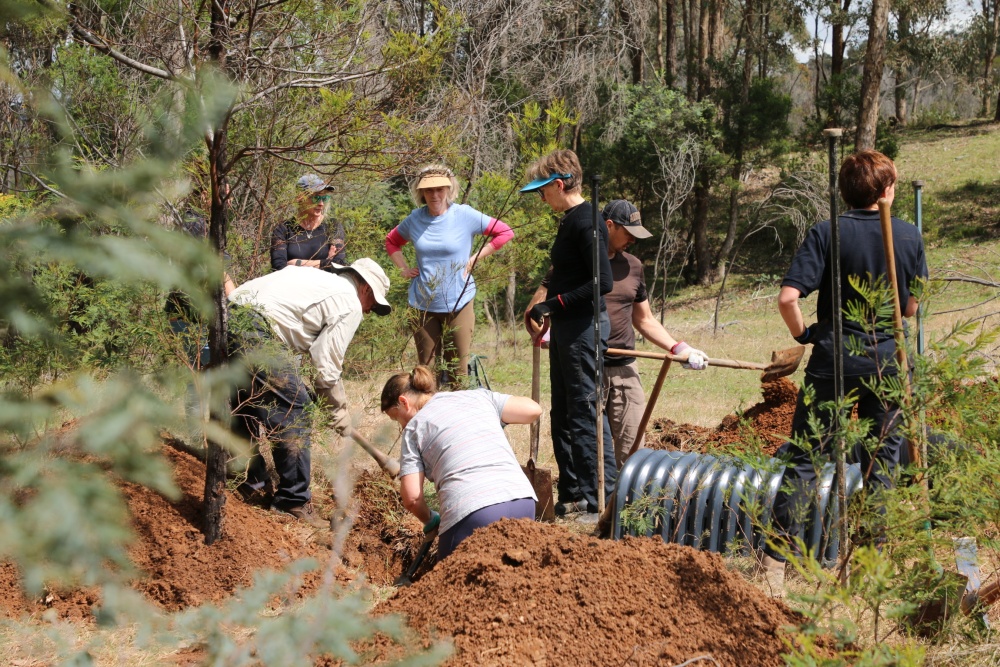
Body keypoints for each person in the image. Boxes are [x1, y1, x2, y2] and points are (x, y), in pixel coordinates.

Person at [760, 150, 928, 596]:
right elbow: (911, 308)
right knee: (881, 462)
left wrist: (805, 334)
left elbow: (788, 298)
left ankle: (776, 563)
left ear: (846, 191)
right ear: (887, 189)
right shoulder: (907, 235)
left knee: (807, 458)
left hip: (834, 359)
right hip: (887, 362)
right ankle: (872, 565)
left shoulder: (827, 231)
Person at [227, 258, 392, 526]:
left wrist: (313, 392)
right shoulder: (349, 302)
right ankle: (292, 501)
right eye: (373, 304)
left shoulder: (317, 280)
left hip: (229, 316)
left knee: (247, 402)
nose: (370, 311)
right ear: (365, 288)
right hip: (257, 330)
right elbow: (327, 367)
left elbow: (302, 350)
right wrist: (338, 411)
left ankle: (248, 480)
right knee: (296, 409)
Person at [521, 149, 617, 520]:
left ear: (560, 185)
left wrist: (554, 304)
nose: (541, 198)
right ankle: (574, 492)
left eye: (543, 191)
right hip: (565, 328)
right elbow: (567, 274)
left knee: (584, 412)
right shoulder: (569, 220)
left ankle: (601, 500)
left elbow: (601, 283)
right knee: (562, 412)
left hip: (583, 330)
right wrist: (546, 308)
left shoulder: (588, 221)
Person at [381, 365, 540, 561]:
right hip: (523, 502)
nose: (402, 425)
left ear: (404, 402)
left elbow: (412, 498)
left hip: (472, 514)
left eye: (396, 418)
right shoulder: (477, 397)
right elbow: (533, 410)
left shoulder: (414, 428)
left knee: (448, 578)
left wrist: (429, 519)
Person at [599, 199, 708, 468]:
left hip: (625, 368)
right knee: (594, 449)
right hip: (588, 367)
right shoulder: (578, 262)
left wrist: (680, 349)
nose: (633, 241)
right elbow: (544, 303)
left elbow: (644, 319)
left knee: (633, 448)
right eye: (628, 233)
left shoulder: (633, 266)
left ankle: (628, 494)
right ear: (609, 226)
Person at [385, 164, 513, 386]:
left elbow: (504, 232)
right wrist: (404, 269)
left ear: (449, 188)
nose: (434, 195)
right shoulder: (415, 219)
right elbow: (391, 241)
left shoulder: (464, 215)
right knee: (426, 374)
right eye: (429, 190)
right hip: (423, 304)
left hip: (459, 301)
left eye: (440, 189)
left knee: (458, 372)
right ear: (421, 192)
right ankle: (429, 408)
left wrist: (475, 258)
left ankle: (458, 408)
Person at [270, 174, 346, 272]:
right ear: (300, 198)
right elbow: (278, 267)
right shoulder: (283, 229)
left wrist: (296, 263)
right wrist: (326, 262)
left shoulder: (333, 226)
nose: (321, 203)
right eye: (316, 198)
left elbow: (339, 264)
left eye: (324, 198)